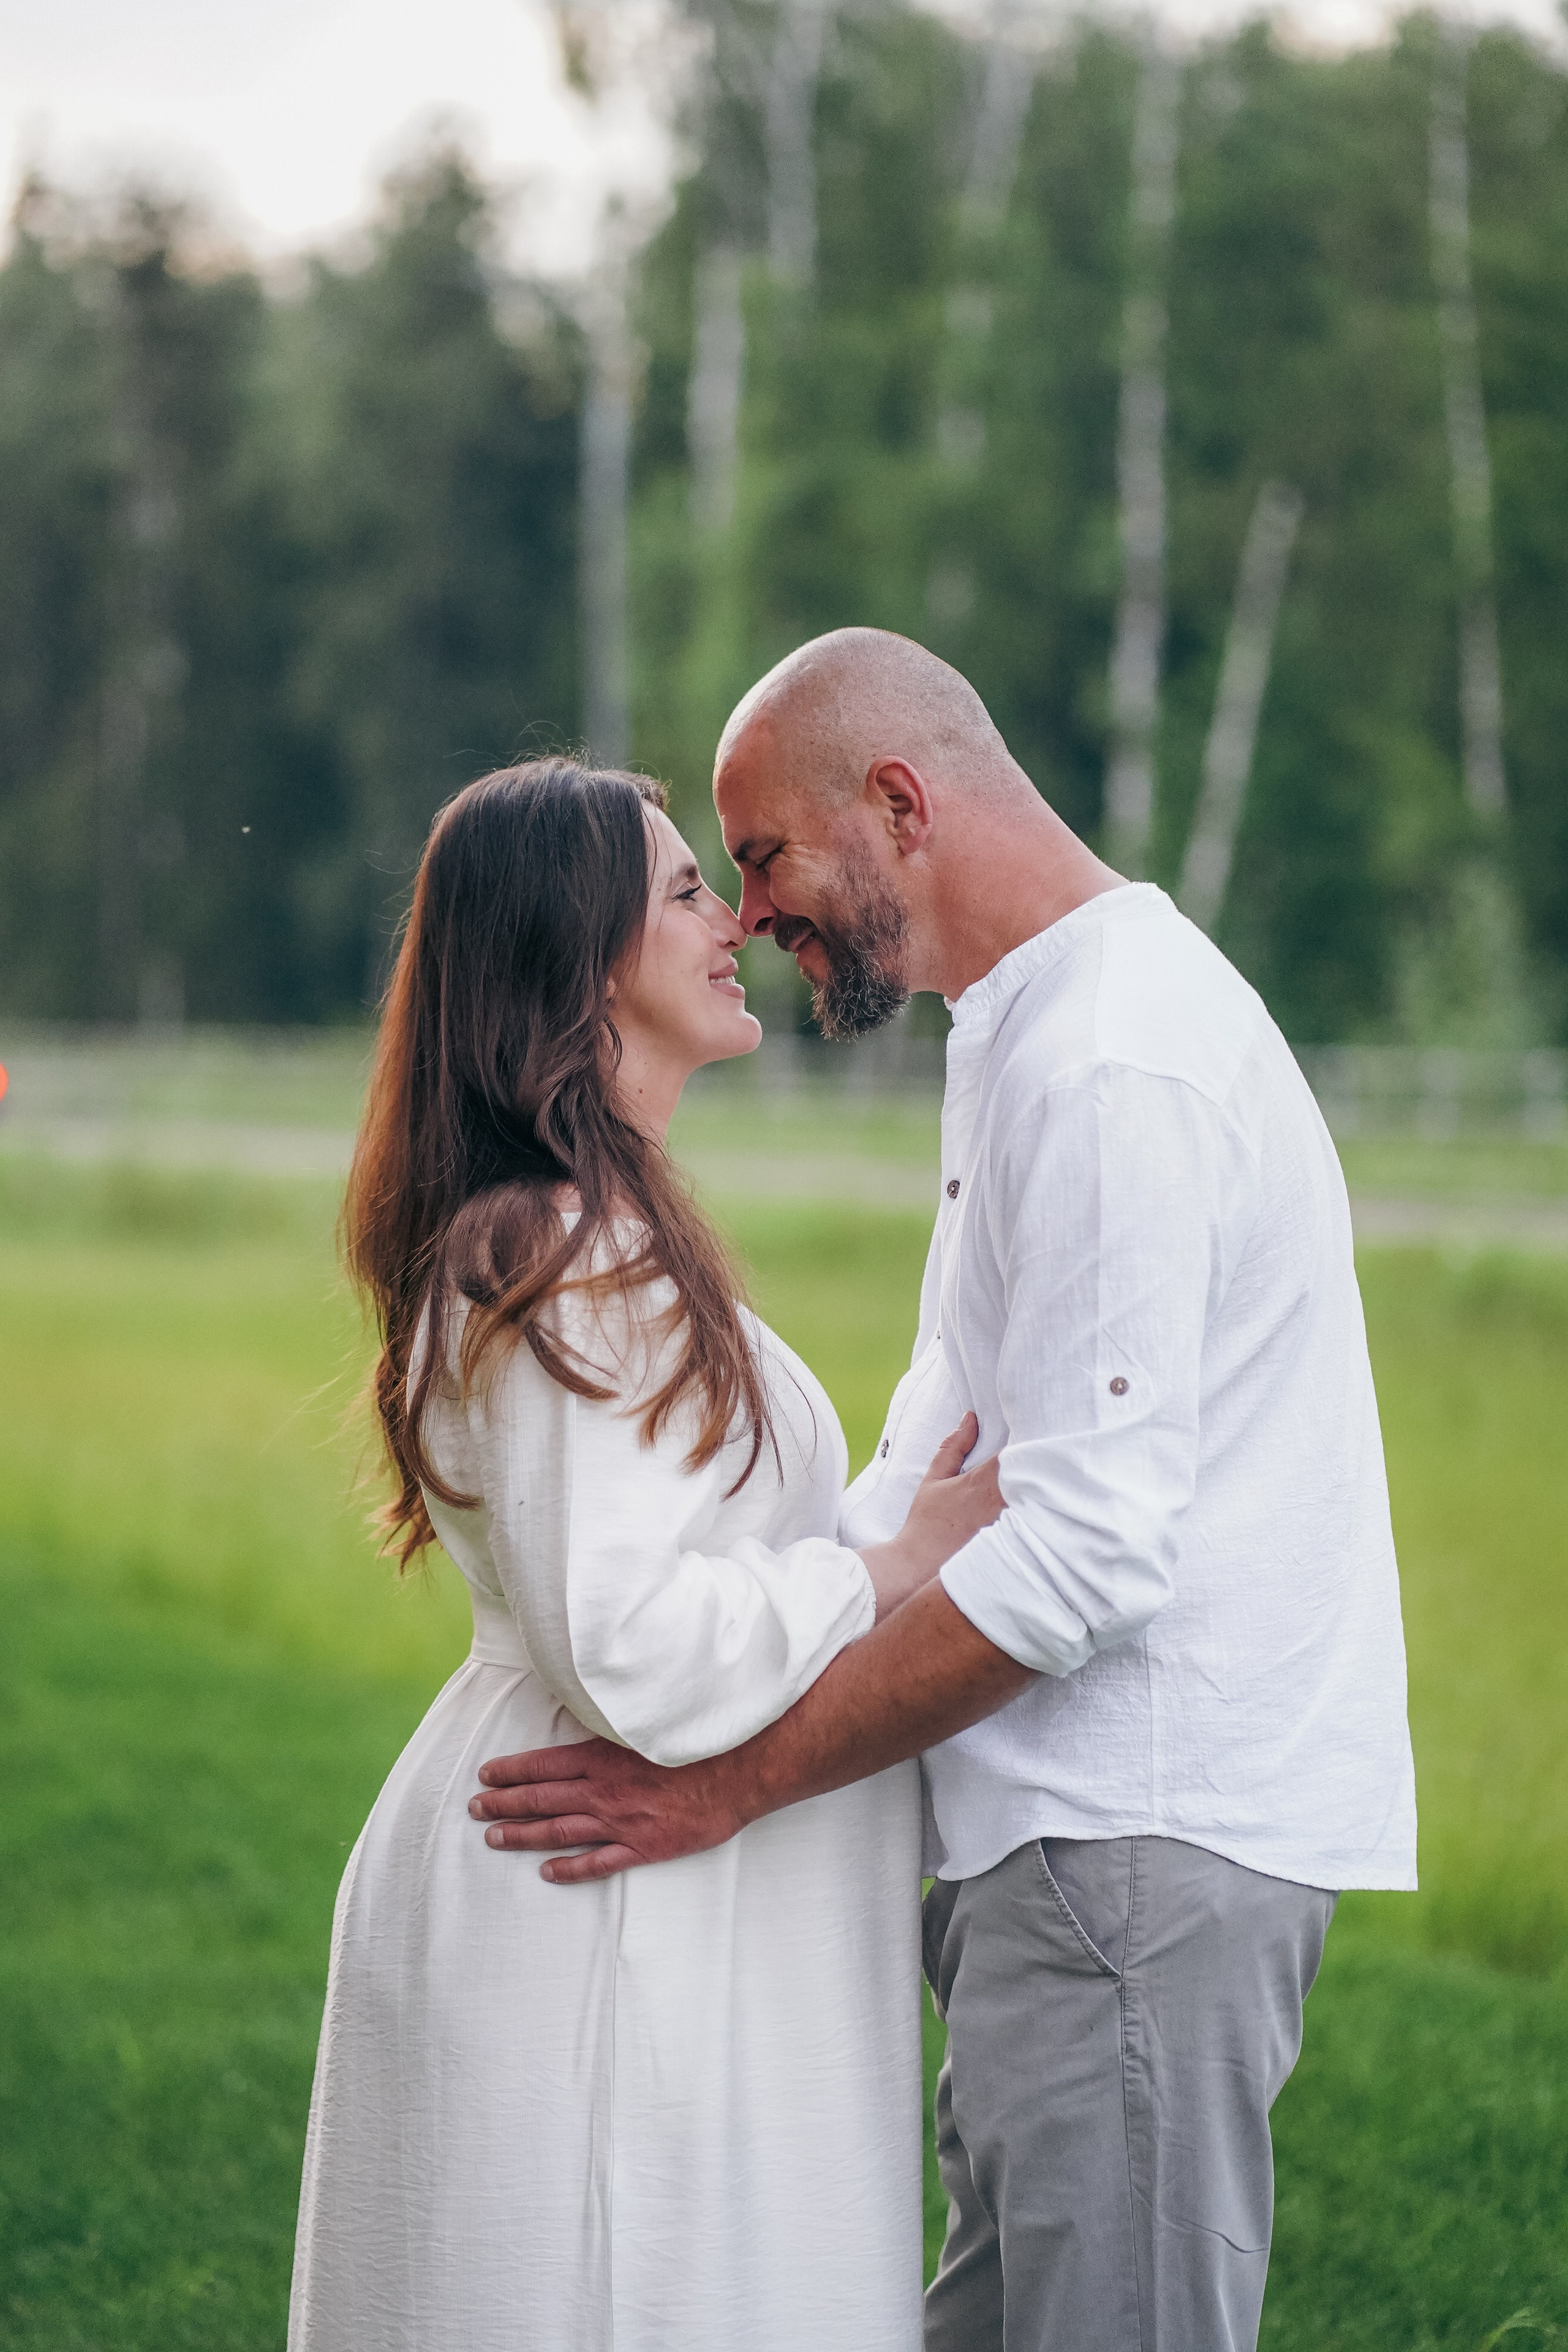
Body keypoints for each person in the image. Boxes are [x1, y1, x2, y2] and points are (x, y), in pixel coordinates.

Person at [470, 632, 1419, 2352]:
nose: (751, 915)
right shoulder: (1028, 1030)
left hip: (1131, 1839)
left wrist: (731, 1785)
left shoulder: (1111, 1056)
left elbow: (1083, 1562)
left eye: (760, 859)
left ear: (899, 803)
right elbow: (944, 1466)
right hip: (1062, 1853)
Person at [287, 756, 1003, 2352]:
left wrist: (899, 1527)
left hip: (662, 1887)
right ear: (578, 953)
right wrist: (887, 1572)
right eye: (688, 891)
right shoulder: (555, 1252)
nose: (738, 917)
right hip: (598, 1901)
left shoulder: (596, 1234)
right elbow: (633, 1646)